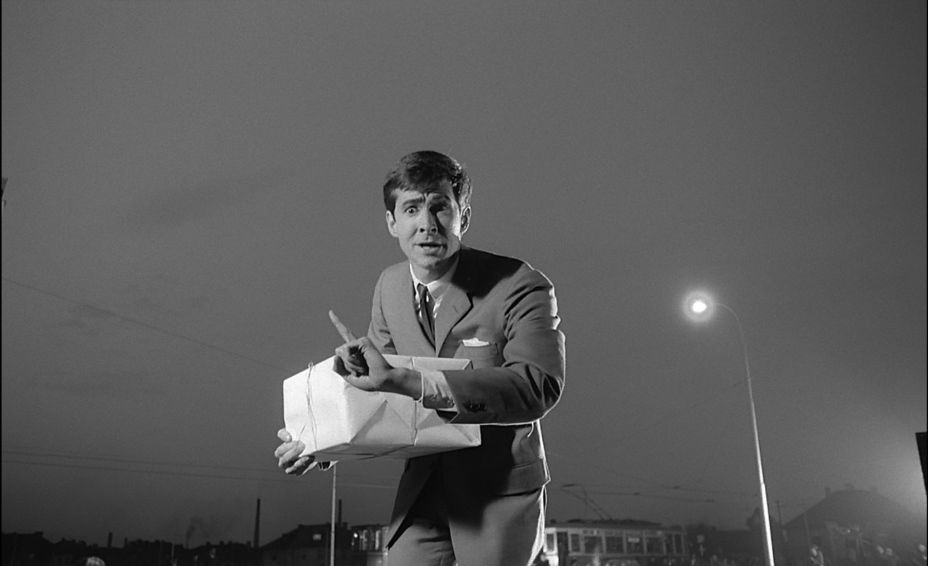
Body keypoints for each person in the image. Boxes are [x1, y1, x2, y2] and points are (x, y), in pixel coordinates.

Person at [275, 150, 566, 565]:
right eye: (411, 209)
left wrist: (410, 381)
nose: (426, 224)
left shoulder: (519, 283)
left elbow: (538, 386)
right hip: (423, 487)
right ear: (391, 222)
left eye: (439, 207)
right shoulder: (389, 286)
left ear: (463, 216)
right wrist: (320, 444)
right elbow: (379, 393)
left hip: (497, 490)